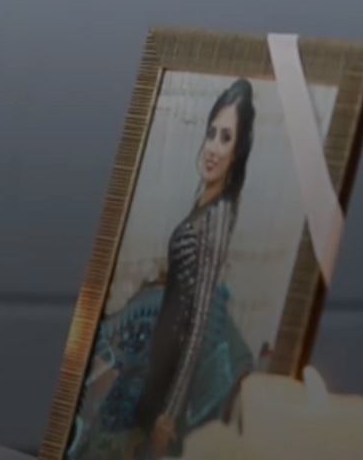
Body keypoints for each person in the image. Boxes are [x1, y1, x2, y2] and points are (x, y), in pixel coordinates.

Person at [68, 79, 257, 460]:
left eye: (226, 138)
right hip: (158, 351)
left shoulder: (219, 215)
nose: (213, 147)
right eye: (211, 133)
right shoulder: (206, 203)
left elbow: (199, 319)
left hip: (169, 366)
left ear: (238, 152)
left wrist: (170, 413)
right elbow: (187, 284)